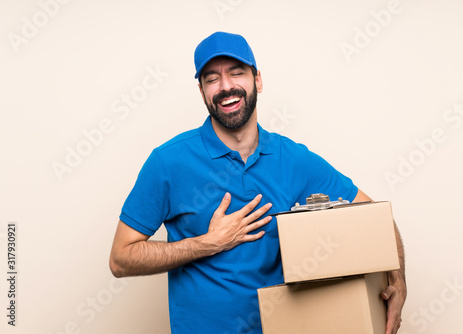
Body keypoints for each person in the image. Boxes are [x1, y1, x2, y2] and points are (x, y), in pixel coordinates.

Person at [109, 31, 406, 334]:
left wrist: (397, 282)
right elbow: (121, 259)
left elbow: (374, 218)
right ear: (201, 92)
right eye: (212, 79)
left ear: (258, 80)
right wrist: (206, 244)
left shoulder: (293, 159)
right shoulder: (168, 162)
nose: (226, 86)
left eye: (236, 73)